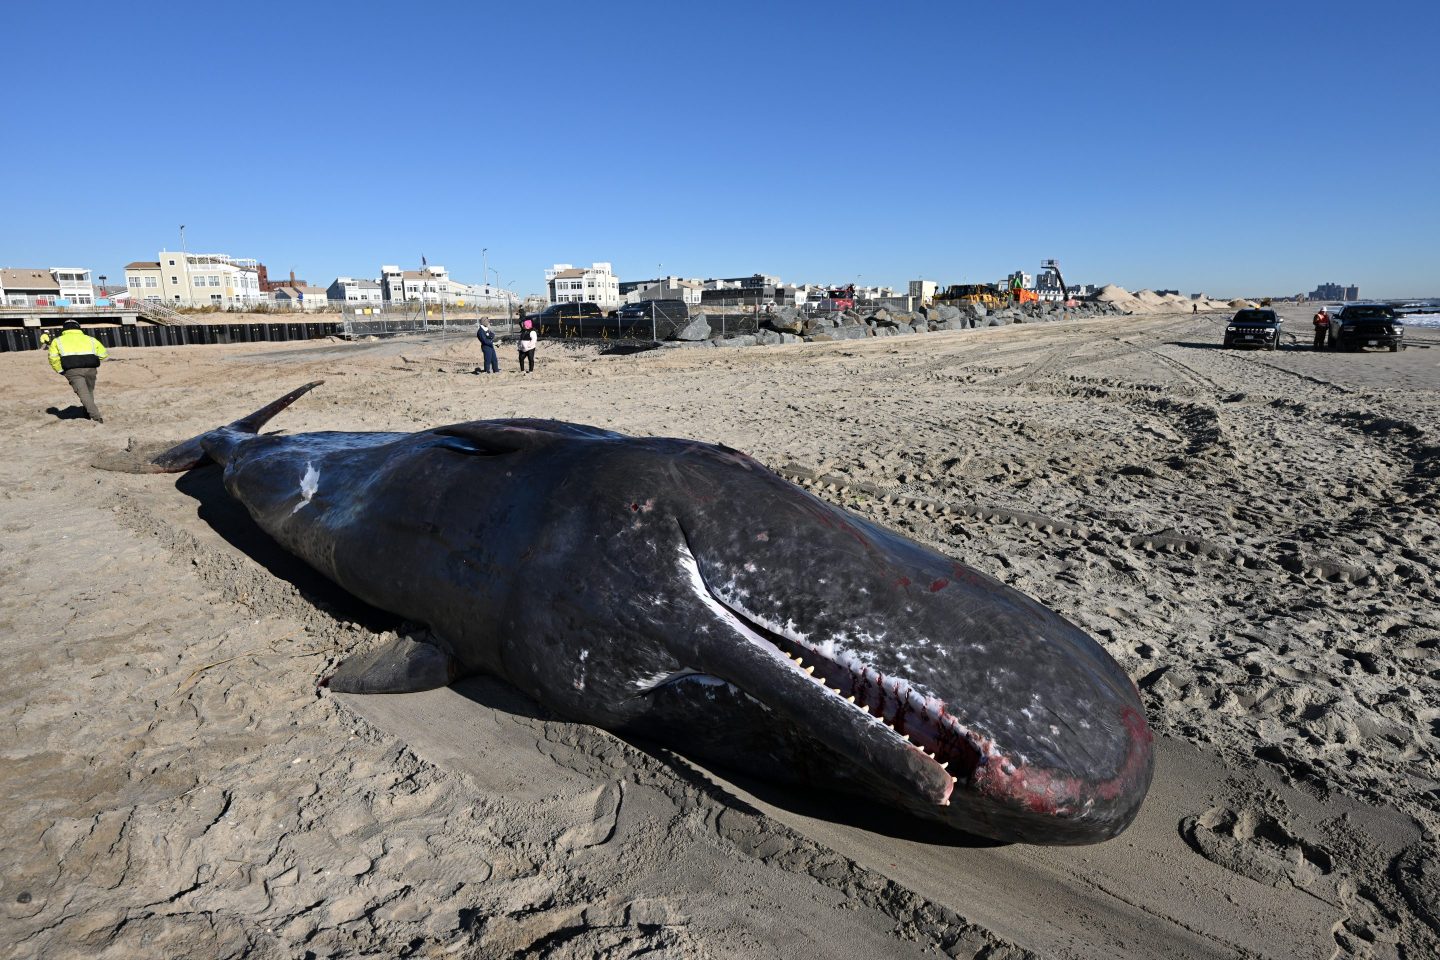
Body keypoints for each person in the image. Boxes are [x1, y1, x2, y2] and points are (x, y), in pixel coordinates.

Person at [48, 319, 108, 422]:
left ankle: (96, 417)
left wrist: (60, 370)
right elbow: (103, 354)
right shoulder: (90, 339)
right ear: (78, 328)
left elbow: (53, 358)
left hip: (72, 370)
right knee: (88, 392)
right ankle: (88, 411)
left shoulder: (57, 340)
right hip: (90, 369)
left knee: (84, 394)